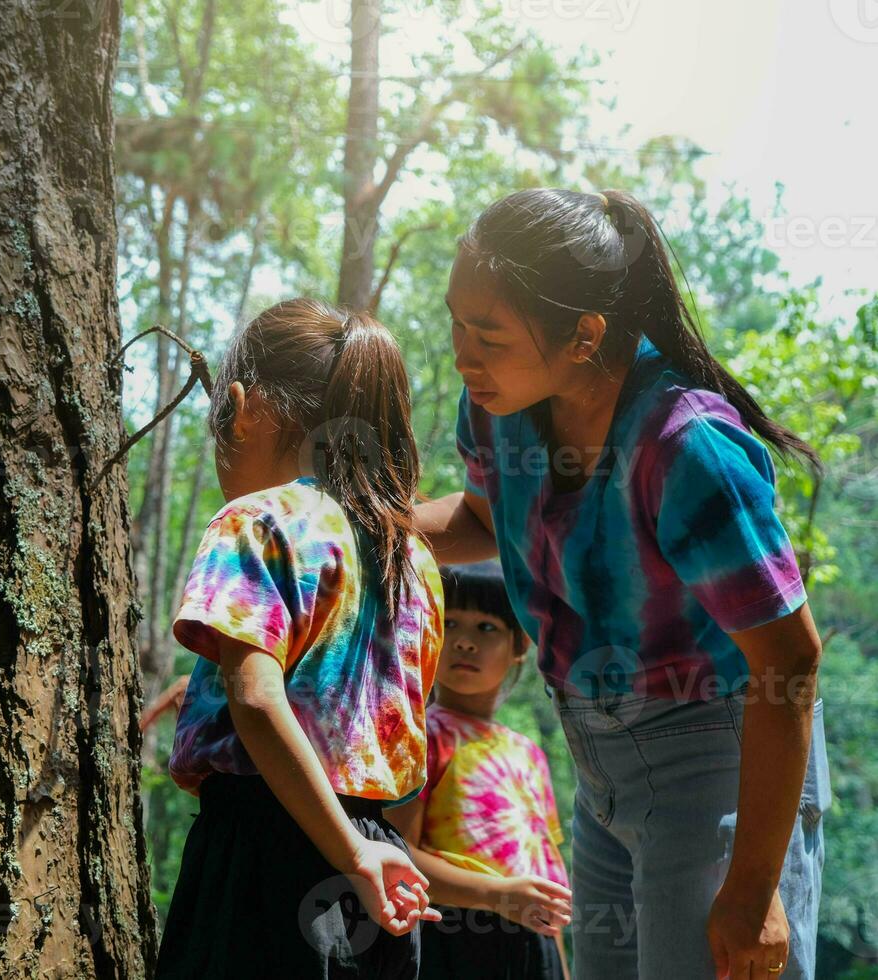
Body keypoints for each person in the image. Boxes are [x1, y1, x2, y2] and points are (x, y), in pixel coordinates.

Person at [415, 188, 830, 979]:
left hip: (721, 764)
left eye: (489, 334)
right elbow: (479, 518)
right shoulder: (501, 407)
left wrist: (751, 890)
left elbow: (790, 663)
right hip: (599, 771)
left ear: (585, 335)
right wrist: (368, 521)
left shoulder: (687, 449)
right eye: (456, 323)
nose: (463, 354)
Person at [156, 298, 445, 979]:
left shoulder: (255, 521)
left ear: (241, 405)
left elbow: (258, 701)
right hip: (374, 866)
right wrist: (358, 852)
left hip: (262, 855)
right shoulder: (412, 560)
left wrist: (346, 851)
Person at [384, 560, 572, 980]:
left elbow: (543, 872)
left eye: (487, 627)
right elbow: (397, 855)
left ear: (519, 646)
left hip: (533, 941)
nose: (465, 642)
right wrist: (494, 894)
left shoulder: (527, 752)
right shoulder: (419, 736)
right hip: (452, 935)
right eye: (449, 624)